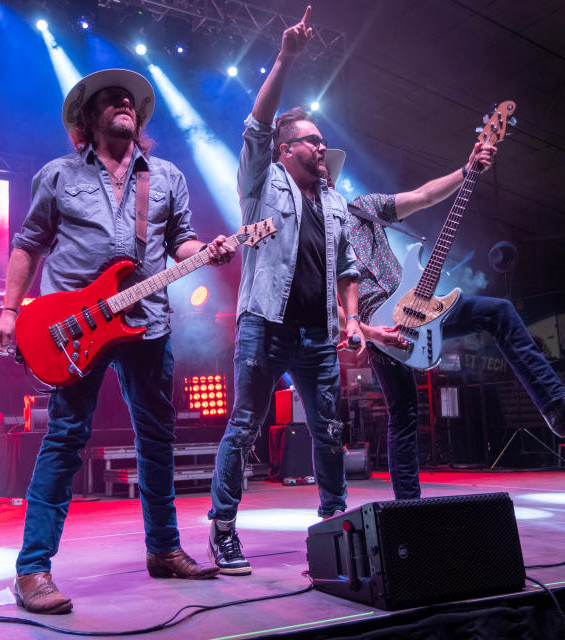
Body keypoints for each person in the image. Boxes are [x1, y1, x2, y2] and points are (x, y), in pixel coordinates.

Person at [0, 68, 235, 614]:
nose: (124, 103)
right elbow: (29, 244)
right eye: (110, 99)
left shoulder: (165, 176)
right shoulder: (57, 174)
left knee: (156, 438)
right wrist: (9, 310)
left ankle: (165, 549)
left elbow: (181, 243)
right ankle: (32, 569)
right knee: (66, 438)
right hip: (74, 326)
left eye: (130, 100)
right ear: (87, 117)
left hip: (146, 321)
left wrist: (208, 251)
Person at [329, 146, 565, 500]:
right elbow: (330, 299)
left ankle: (556, 407)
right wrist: (369, 333)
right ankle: (407, 510)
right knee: (403, 414)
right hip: (379, 327)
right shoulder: (315, 237)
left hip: (419, 304)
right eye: (319, 181)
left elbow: (422, 196)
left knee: (498, 311)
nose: (326, 185)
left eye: (329, 178)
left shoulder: (366, 208)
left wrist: (466, 170)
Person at [207, 5, 365, 577]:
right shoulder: (261, 184)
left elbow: (348, 268)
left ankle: (335, 529)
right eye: (311, 140)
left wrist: (351, 319)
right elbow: (257, 123)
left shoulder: (337, 202)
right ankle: (223, 531)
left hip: (319, 336)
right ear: (286, 150)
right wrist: (287, 57)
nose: (321, 147)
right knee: (244, 427)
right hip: (264, 327)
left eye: (323, 141)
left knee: (328, 433)